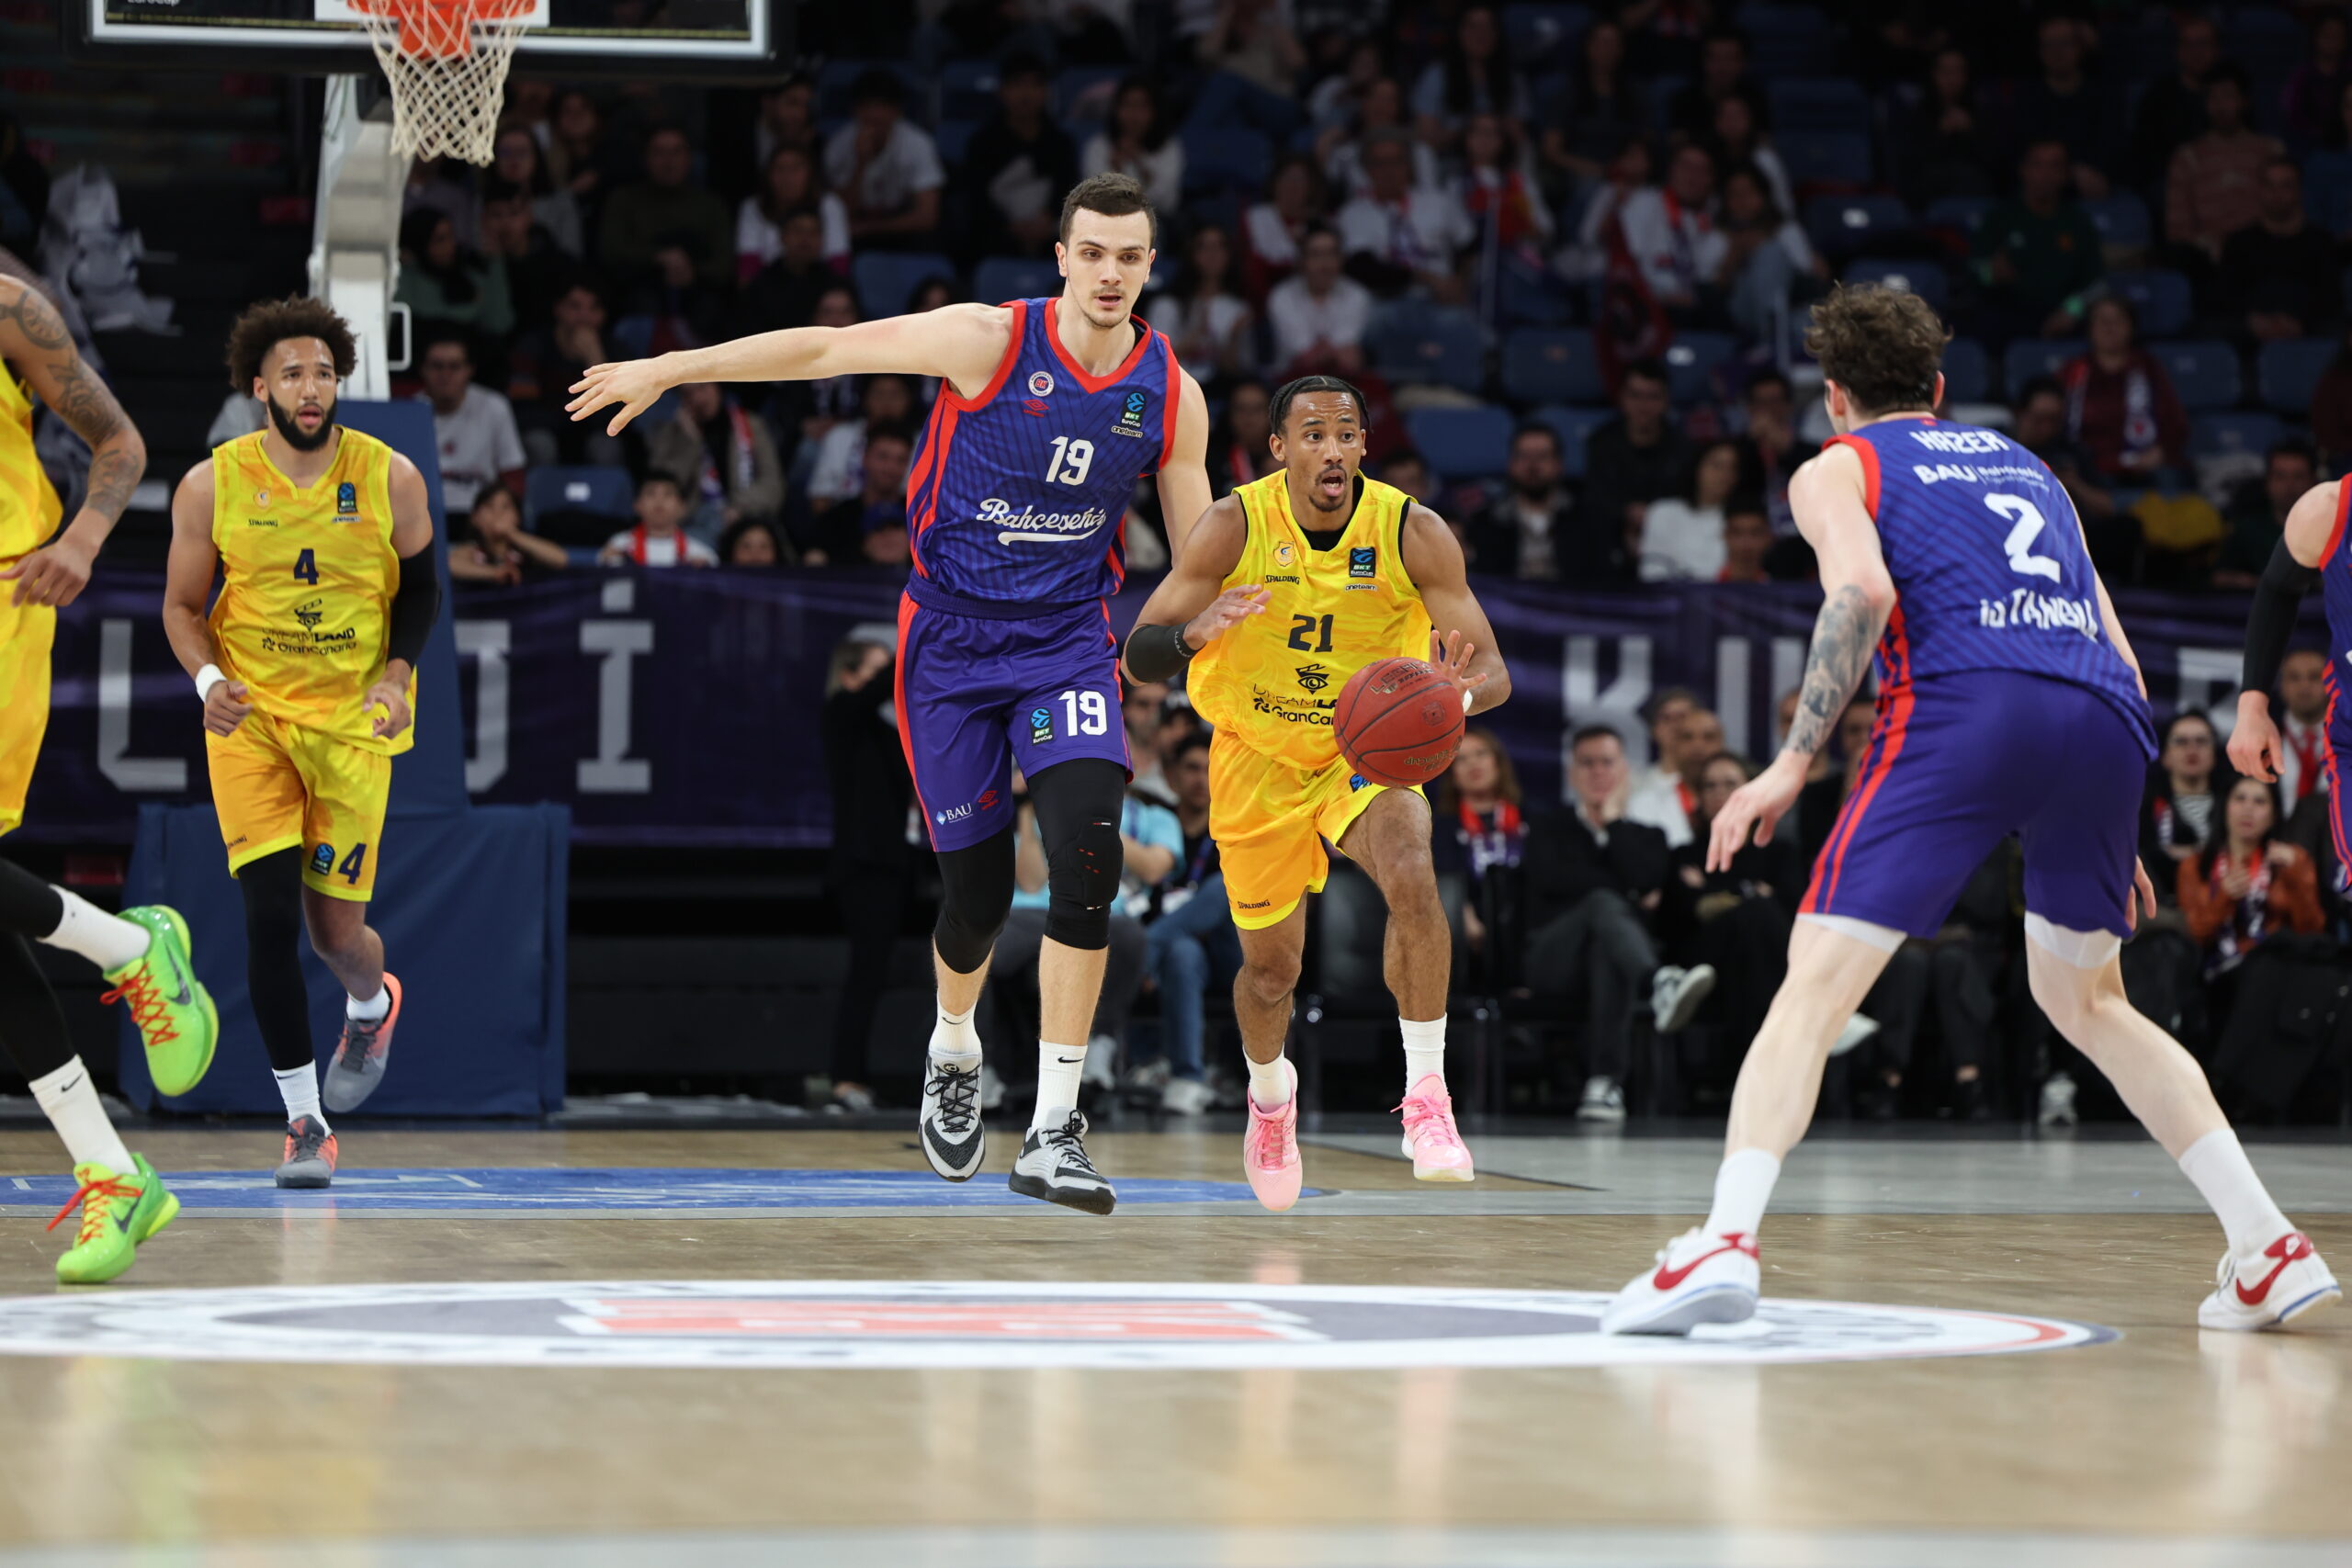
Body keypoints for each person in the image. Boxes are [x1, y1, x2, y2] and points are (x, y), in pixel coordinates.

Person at [1604, 282, 2338, 1336]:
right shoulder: (2032, 467)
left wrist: (1788, 762)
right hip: (2100, 718)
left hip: (1964, 706)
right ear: (1939, 389)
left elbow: (1860, 595)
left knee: (1812, 989)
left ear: (1833, 397)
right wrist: (2111, 820)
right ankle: (2266, 1244)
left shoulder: (1839, 465)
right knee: (2089, 1002)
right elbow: (2116, 647)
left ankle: (1722, 1241)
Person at [571, 172, 1212, 1213]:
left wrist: (1209, 630)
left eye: (1128, 256)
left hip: (1066, 642)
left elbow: (1195, 561)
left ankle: (1053, 1131)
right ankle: (953, 1041)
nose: (1109, 273)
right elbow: (824, 351)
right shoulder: (987, 340)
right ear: (1061, 257)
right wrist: (671, 366)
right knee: (979, 900)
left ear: (1149, 266)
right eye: (1091, 252)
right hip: (951, 643)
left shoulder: (1170, 393)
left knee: (1089, 857)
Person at [1121, 374, 1510, 1206]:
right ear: (1279, 448)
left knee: (1413, 869)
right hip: (1256, 756)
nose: (1332, 449)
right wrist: (1193, 634)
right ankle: (1270, 1098)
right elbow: (1137, 653)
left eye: (1346, 433)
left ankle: (1428, 1098)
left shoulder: (1413, 531)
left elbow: (1494, 672)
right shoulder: (1235, 524)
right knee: (1271, 973)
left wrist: (1452, 697)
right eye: (1313, 435)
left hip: (1358, 753)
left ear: (1364, 445)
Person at [163, 296, 438, 1193]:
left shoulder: (391, 476)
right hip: (253, 721)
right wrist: (210, 683)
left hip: (353, 724)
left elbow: (423, 590)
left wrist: (397, 676)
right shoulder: (212, 484)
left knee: (336, 935)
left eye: (323, 372)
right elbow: (181, 608)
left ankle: (372, 1003)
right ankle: (305, 1123)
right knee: (270, 918)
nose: (311, 387)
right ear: (260, 388)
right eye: (292, 374)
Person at [0, 272, 219, 1282]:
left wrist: (83, 540)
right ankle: (113, 1170)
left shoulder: (10, 307)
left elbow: (121, 443)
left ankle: (130, 948)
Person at [1523, 725, 1716, 1122]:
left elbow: (1647, 880)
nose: (1598, 772)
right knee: (1602, 903)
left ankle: (1603, 1086)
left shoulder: (1649, 835)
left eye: (1607, 762)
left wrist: (1613, 824)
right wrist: (1625, 888)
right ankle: (1657, 982)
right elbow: (1554, 880)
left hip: (1610, 960)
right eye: (1587, 763)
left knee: (1607, 951)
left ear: (1624, 771)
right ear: (1572, 773)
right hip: (1552, 958)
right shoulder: (1546, 827)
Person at [821, 636, 911, 1112]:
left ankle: (859, 1074)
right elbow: (882, 689)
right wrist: (917, 637)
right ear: (849, 675)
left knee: (878, 973)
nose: (884, 680)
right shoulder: (841, 714)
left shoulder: (882, 731)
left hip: (894, 865)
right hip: (863, 866)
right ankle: (845, 1077)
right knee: (865, 972)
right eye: (874, 671)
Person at [1145, 732, 1238, 1116]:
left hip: (1230, 956)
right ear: (1172, 776)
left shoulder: (1235, 830)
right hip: (1179, 959)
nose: (1202, 779)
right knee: (1182, 952)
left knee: (1222, 887)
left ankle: (1143, 952)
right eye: (1192, 769)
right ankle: (1187, 1077)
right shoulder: (1155, 827)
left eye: (1210, 769)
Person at [2178, 777, 2324, 990]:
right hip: (2214, 978)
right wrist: (2223, 898)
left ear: (2274, 815)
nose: (2248, 809)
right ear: (2225, 807)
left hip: (2279, 972)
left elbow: (2312, 932)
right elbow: (2194, 937)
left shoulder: (2291, 861)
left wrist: (2296, 874)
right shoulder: (2195, 866)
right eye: (2240, 799)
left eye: (2259, 801)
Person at [1971, 140, 2105, 348]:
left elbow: (2096, 282)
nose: (2046, 174)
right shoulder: (2000, 217)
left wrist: (2070, 311)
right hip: (2009, 313)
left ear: (2066, 175)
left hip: (2063, 316)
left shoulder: (2078, 222)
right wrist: (1991, 273)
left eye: (2055, 166)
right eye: (2038, 165)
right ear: (2023, 170)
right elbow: (1974, 269)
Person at [2058, 298, 2189, 485]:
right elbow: (2055, 419)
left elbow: (2175, 423)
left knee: (2170, 479)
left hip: (2143, 464)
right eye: (2102, 321)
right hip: (2087, 466)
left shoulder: (2148, 368)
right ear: (2090, 328)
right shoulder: (2073, 370)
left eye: (2118, 320)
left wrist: (2160, 452)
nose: (2109, 327)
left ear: (2131, 327)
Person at [962, 55, 1080, 262]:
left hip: (1050, 234)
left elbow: (1069, 192)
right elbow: (976, 198)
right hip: (995, 237)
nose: (1025, 94)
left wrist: (1047, 218)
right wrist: (1009, 226)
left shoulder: (1061, 143)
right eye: (1017, 84)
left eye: (1034, 85)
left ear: (1046, 92)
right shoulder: (982, 143)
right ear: (1002, 91)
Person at [2165, 68, 2283, 265]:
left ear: (2244, 101)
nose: (2220, 106)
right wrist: (2207, 244)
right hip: (2206, 258)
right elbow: (2177, 229)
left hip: (2263, 253)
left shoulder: (2271, 151)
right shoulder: (2186, 157)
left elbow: (2286, 212)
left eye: (2228, 96)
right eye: (2213, 98)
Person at [596, 125, 732, 293]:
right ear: (645, 159)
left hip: (699, 292)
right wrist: (659, 257)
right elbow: (611, 252)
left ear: (690, 158)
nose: (669, 162)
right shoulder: (623, 199)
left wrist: (693, 272)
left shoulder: (711, 205)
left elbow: (724, 264)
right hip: (637, 291)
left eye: (677, 152)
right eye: (659, 153)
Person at [2217, 161, 2338, 347]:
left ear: (2299, 191)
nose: (2276, 194)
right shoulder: (2239, 242)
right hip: (2249, 330)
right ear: (2260, 190)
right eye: (2269, 185)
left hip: (2309, 329)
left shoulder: (2321, 241)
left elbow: (2330, 298)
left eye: (2285, 186)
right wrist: (2254, 321)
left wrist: (2300, 323)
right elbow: (2225, 296)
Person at [647, 380, 785, 543]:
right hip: (694, 523)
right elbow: (664, 487)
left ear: (718, 386)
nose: (698, 398)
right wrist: (690, 443)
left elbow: (773, 486)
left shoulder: (750, 424)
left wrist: (738, 507)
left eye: (702, 387)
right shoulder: (673, 434)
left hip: (746, 515)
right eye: (688, 394)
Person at [824, 70, 946, 250]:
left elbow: (927, 216)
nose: (873, 114)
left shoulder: (918, 144)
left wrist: (870, 228)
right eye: (866, 106)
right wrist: (860, 164)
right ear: (854, 110)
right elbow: (839, 213)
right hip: (856, 226)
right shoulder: (838, 146)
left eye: (881, 106)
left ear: (897, 111)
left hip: (902, 227)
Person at [413, 330, 526, 518]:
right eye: (437, 366)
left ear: (469, 369)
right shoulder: (409, 411)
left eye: (454, 366)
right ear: (423, 369)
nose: (446, 375)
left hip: (479, 516)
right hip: (424, 514)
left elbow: (513, 474)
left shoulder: (494, 407)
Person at [1581, 359, 1686, 561]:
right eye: (1635, 395)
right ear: (1622, 398)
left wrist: (1653, 516)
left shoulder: (1683, 448)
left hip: (1670, 539)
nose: (1643, 406)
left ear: (1666, 401)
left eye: (1653, 397)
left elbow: (1684, 504)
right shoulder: (1601, 443)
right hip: (1610, 538)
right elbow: (1595, 498)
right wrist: (1626, 514)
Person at [1467, 423, 1578, 581]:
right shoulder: (1486, 522)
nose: (1533, 466)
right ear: (1511, 464)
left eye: (1542, 456)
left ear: (1558, 464)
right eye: (1524, 456)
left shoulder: (1587, 519)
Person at [1265, 226, 1374, 376]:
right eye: (1315, 255)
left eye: (1331, 254)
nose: (1324, 264)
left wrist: (1328, 353)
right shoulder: (1281, 296)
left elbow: (1348, 361)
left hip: (1343, 381)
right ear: (1301, 260)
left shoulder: (1357, 294)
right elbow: (1303, 358)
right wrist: (1334, 353)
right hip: (1292, 381)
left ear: (1341, 259)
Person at [734, 144, 848, 283]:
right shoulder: (752, 206)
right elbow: (747, 273)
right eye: (780, 169)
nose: (787, 177)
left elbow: (839, 267)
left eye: (795, 169)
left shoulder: (830, 204)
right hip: (770, 289)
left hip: (822, 288)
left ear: (810, 173)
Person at [2216, 441, 2318, 592]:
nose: (2289, 486)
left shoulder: (2332, 531)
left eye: (2298, 477)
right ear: (2267, 482)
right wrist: (2248, 583)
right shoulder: (2247, 530)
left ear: (2313, 482)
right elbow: (2218, 577)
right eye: (2280, 477)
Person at [1639, 439, 1744, 582]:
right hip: (1666, 595)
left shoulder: (1741, 522)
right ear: (1698, 467)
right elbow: (1652, 571)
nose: (1724, 475)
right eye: (1717, 465)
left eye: (1732, 468)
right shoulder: (1663, 512)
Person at [1082, 76, 1184, 213]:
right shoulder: (1098, 146)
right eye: (1127, 105)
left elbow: (1165, 201)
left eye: (1141, 106)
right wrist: (1115, 169)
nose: (1133, 115)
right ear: (1116, 109)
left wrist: (1139, 164)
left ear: (1155, 111)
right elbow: (1095, 200)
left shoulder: (1169, 147)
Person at [2143, 711, 2226, 875]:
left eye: (2201, 741)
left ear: (2214, 753)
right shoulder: (2143, 805)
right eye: (2181, 741)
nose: (2192, 749)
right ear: (2165, 756)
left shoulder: (2234, 802)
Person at [447, 486, 566, 585]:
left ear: (518, 517)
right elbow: (449, 565)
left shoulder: (525, 552)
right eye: (489, 506)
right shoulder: (472, 551)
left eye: (506, 507)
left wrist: (512, 533)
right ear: (475, 518)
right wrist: (494, 573)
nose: (498, 513)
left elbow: (560, 559)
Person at [599, 473, 718, 568]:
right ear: (637, 505)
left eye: (668, 494)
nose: (659, 501)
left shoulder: (702, 555)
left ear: (682, 508)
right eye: (651, 494)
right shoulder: (618, 546)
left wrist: (702, 573)